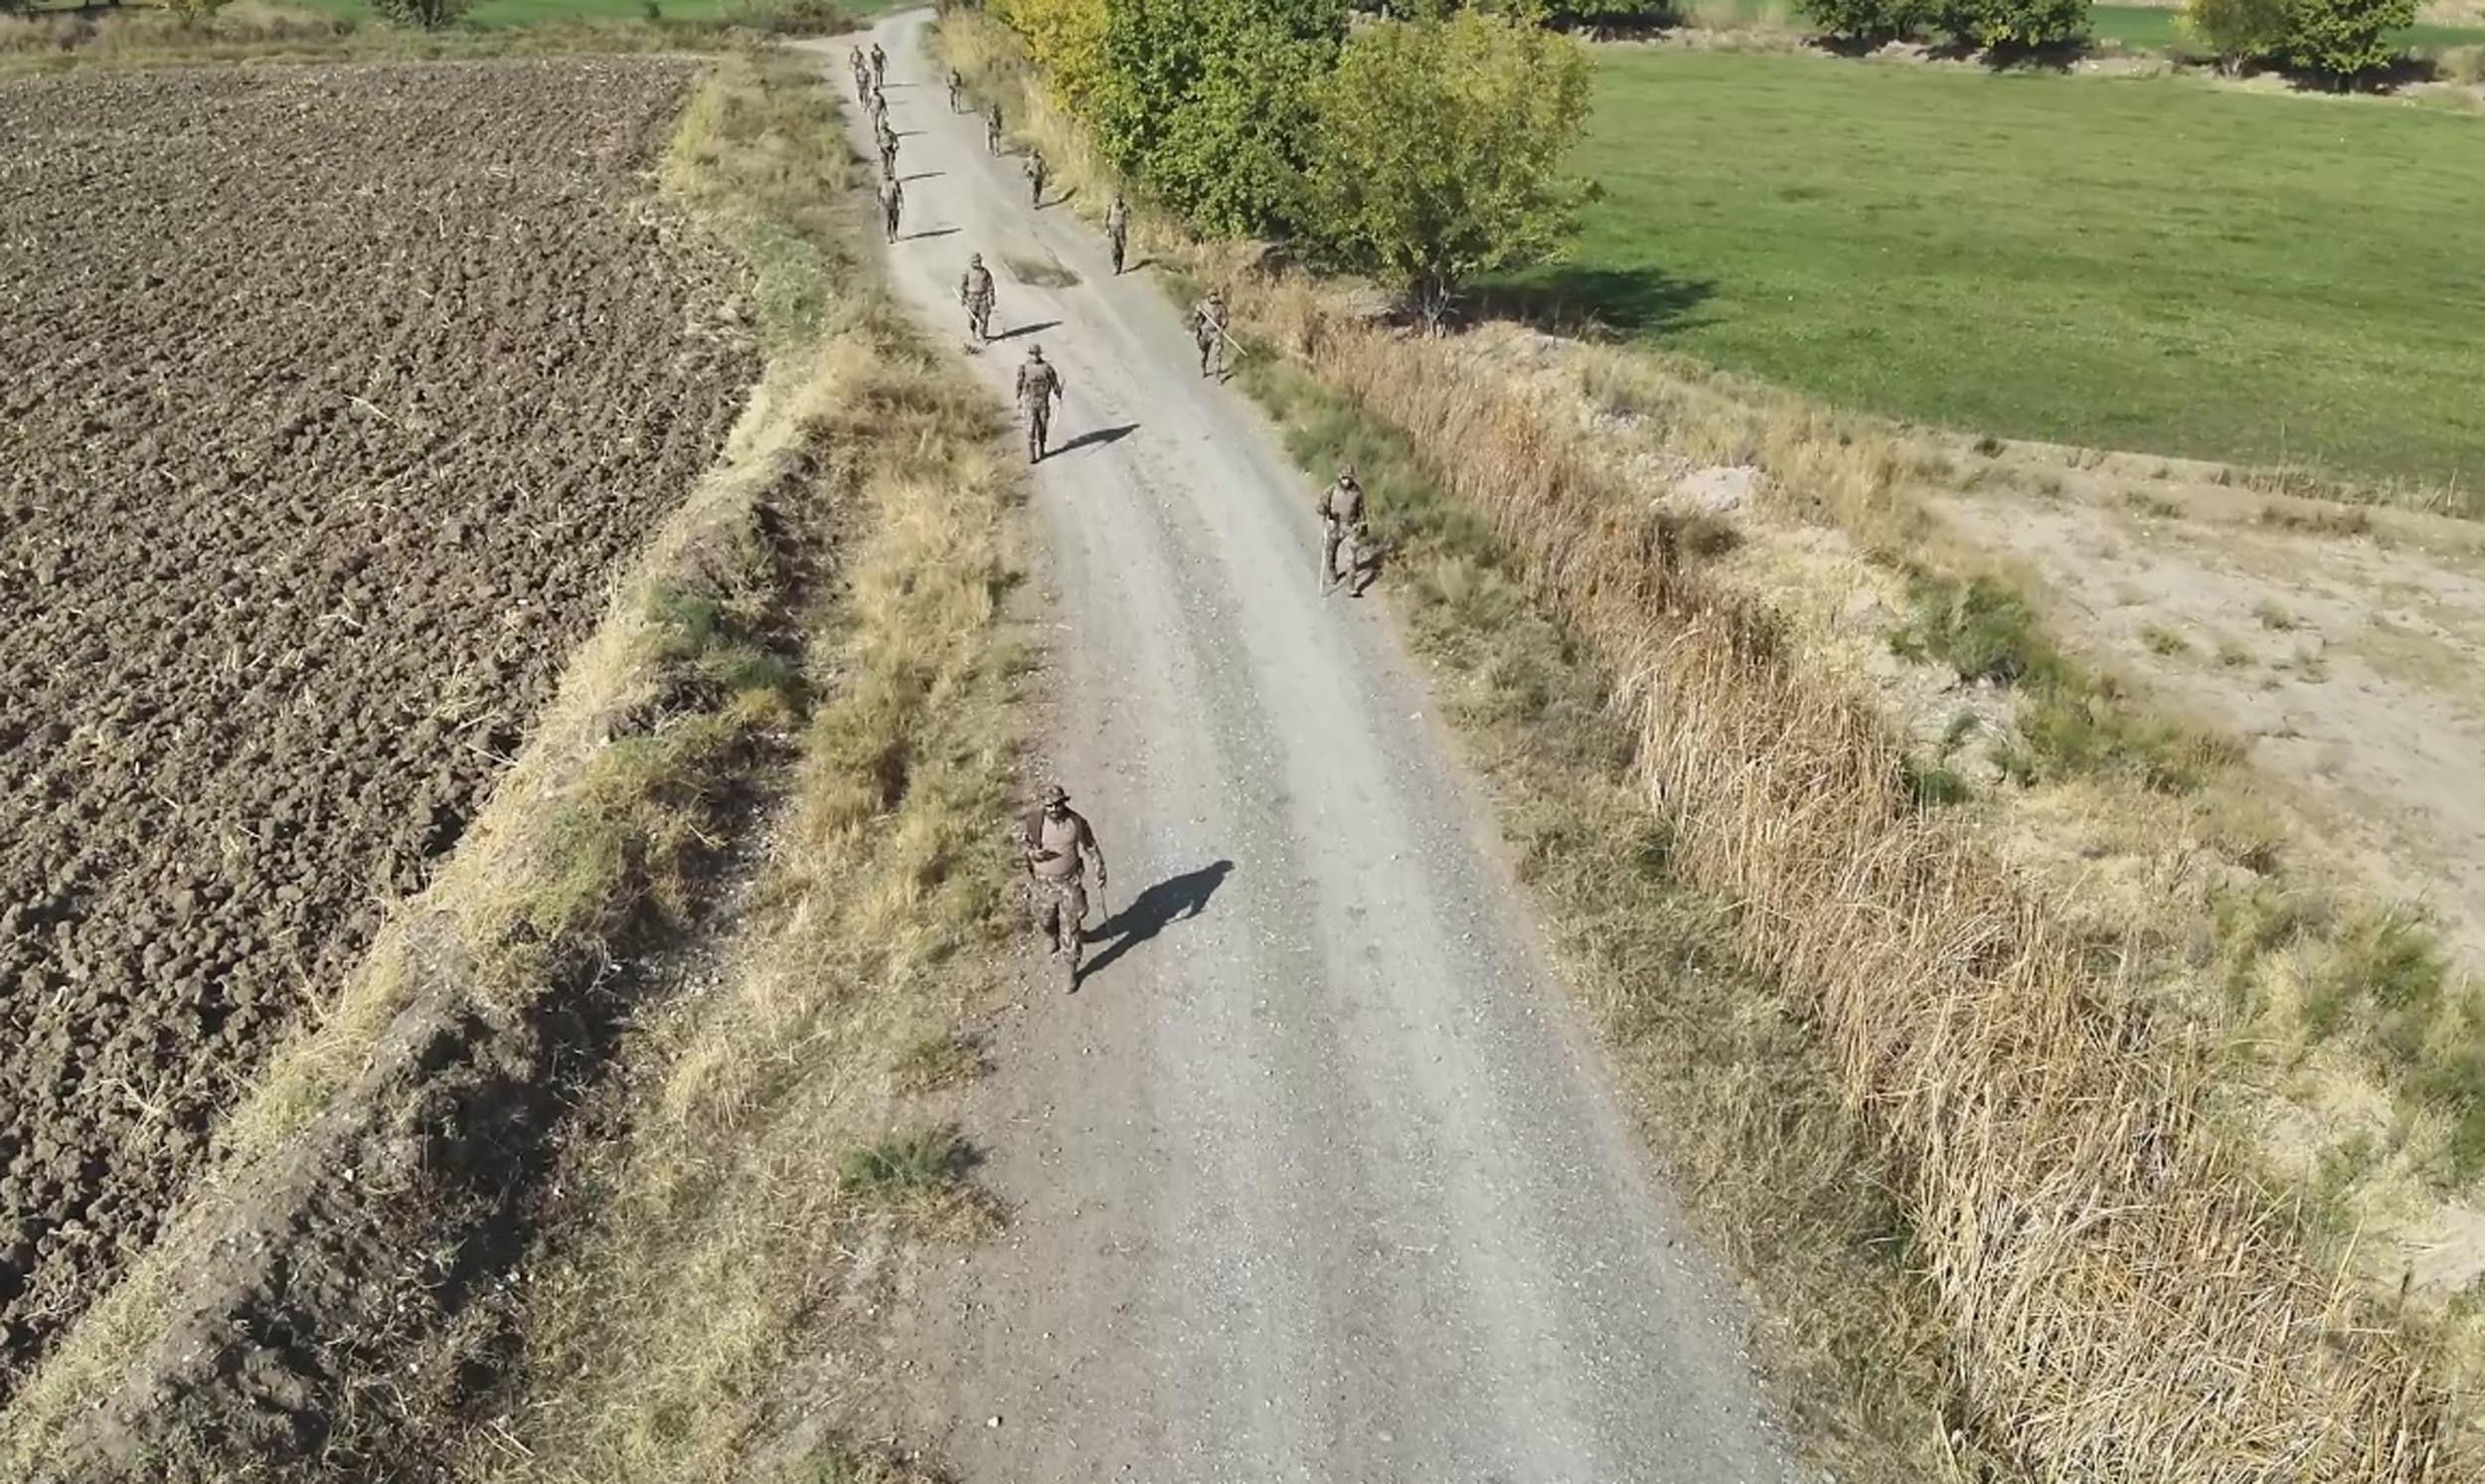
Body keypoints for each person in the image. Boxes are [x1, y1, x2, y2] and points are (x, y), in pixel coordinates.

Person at [1019, 783, 1106, 988]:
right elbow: (1023, 844)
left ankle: (1071, 969)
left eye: (1058, 804)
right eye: (1049, 805)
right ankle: (1051, 935)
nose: (1054, 809)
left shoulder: (1076, 822)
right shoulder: (1034, 822)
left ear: (1064, 803)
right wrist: (1033, 853)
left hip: (1069, 883)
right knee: (1044, 917)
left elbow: (1090, 845)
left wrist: (1100, 868)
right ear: (1043, 805)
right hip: (1044, 883)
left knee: (1071, 928)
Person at [1320, 462, 1369, 596]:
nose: (1346, 481)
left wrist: (1364, 523)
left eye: (1349, 478)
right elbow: (1321, 505)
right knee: (1330, 552)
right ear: (1339, 477)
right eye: (1344, 478)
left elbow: (1361, 509)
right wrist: (1323, 509)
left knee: (1351, 558)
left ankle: (1350, 586)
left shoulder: (1357, 492)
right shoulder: (1331, 490)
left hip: (1351, 527)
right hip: (1334, 526)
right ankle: (1332, 573)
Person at [1016, 344, 1064, 463]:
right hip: (1030, 402)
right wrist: (1018, 397)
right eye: (1033, 354)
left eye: (1037, 354)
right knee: (1031, 428)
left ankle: (1042, 448)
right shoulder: (1024, 367)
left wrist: (1058, 392)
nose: (1035, 356)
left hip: (1043, 402)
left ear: (1039, 354)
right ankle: (1032, 455)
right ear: (1030, 354)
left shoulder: (1047, 367)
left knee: (1043, 427)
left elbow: (1054, 381)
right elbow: (1020, 382)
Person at [1190, 290, 1231, 379]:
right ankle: (1203, 369)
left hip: (1216, 332)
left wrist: (1223, 325)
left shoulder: (1221, 307)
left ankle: (1217, 375)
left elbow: (1225, 318)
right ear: (1209, 296)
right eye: (1212, 295)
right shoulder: (1203, 305)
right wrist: (1198, 312)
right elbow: (1196, 318)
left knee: (1217, 354)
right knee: (1204, 353)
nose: (1214, 297)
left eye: (1215, 295)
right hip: (1205, 332)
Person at [958, 251, 996, 342]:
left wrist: (991, 297)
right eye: (975, 262)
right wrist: (963, 297)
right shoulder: (967, 272)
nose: (977, 263)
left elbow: (990, 285)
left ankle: (983, 336)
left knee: (984, 318)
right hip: (972, 299)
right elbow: (963, 285)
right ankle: (973, 334)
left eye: (979, 261)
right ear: (971, 262)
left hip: (983, 298)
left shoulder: (985, 272)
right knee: (972, 319)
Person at [1104, 192, 1129, 275]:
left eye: (1119, 199)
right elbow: (1107, 217)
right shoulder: (1111, 207)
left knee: (1121, 248)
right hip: (1113, 229)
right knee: (1114, 249)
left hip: (1121, 230)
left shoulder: (1124, 208)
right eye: (1116, 199)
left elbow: (1129, 217)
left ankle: (1120, 266)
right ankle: (1115, 266)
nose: (1117, 201)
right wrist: (1107, 229)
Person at [878, 172, 904, 245]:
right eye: (885, 174)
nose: (886, 176)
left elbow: (899, 193)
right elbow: (879, 195)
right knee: (888, 221)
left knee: (895, 220)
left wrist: (900, 202)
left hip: (894, 203)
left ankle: (895, 233)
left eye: (887, 174)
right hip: (886, 204)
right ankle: (889, 236)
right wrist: (880, 203)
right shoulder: (881, 184)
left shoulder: (894, 183)